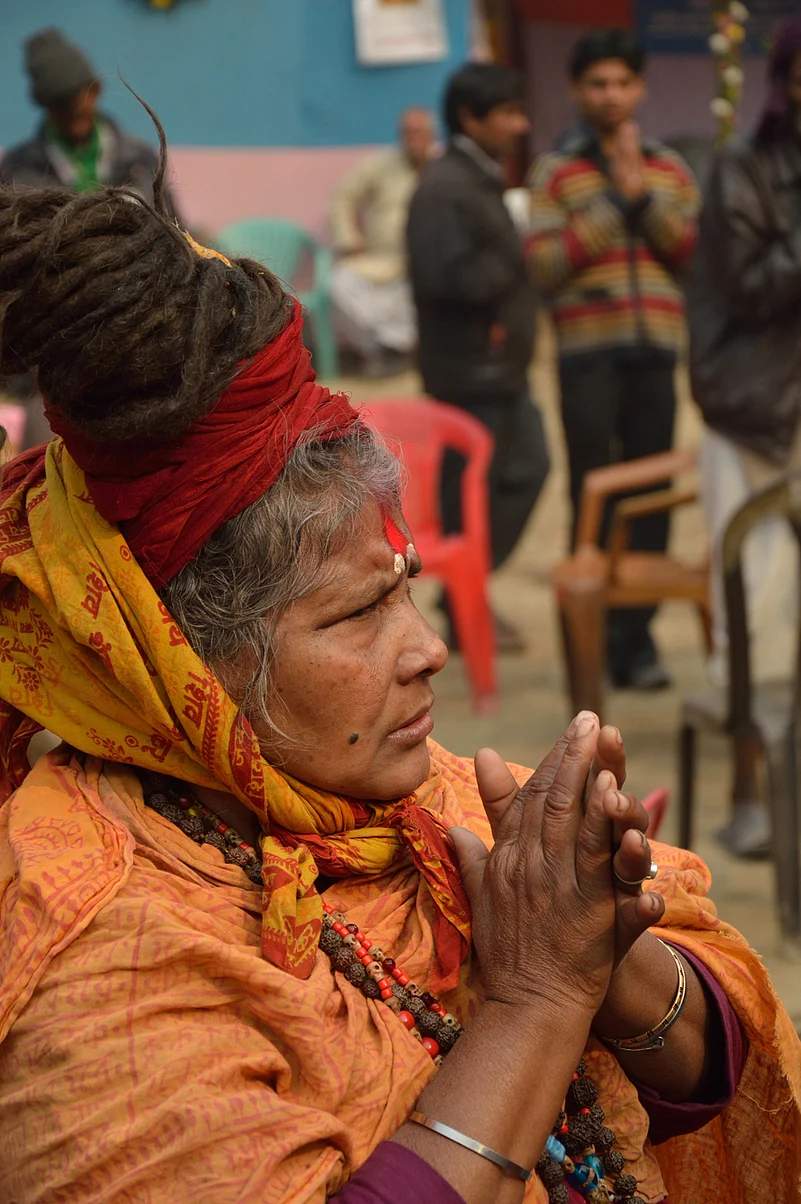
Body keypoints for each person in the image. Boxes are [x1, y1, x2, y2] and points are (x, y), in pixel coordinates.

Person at [0, 132, 798, 1204]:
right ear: (178, 663)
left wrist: (604, 948)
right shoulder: (93, 937)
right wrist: (536, 1000)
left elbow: (715, 1065)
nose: (429, 647)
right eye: (360, 612)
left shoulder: (422, 809)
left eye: (406, 585)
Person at [527, 30, 699, 690]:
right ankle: (591, 643)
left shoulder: (670, 170)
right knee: (592, 495)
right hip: (586, 356)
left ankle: (638, 643)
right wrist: (614, 202)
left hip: (655, 351)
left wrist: (643, 197)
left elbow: (693, 256)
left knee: (650, 499)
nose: (610, 95)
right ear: (577, 91)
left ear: (640, 89)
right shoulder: (554, 173)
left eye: (622, 82)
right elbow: (545, 265)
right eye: (597, 83)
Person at [687, 13, 801, 858]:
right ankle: (748, 792)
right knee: (755, 604)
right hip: (758, 414)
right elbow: (755, 288)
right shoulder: (743, 168)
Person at [407, 64, 549, 653]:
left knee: (521, 471)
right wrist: (519, 256)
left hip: (496, 370)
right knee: (476, 488)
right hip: (470, 370)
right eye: (507, 114)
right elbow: (444, 276)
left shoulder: (476, 178)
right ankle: (465, 603)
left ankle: (466, 592)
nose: (520, 126)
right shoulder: (446, 187)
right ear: (470, 117)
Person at [0, 27, 179, 449]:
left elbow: (173, 231)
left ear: (95, 92)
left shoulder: (137, 160)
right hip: (56, 344)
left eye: (77, 98)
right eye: (60, 105)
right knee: (53, 448)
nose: (73, 112)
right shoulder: (18, 170)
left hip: (137, 326)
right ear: (46, 107)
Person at [330, 108, 435, 377]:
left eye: (418, 133)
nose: (412, 139)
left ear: (431, 135)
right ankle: (386, 350)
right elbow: (344, 195)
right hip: (382, 260)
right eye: (406, 133)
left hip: (424, 263)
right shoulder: (382, 164)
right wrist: (348, 238)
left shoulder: (441, 168)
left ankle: (405, 351)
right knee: (340, 283)